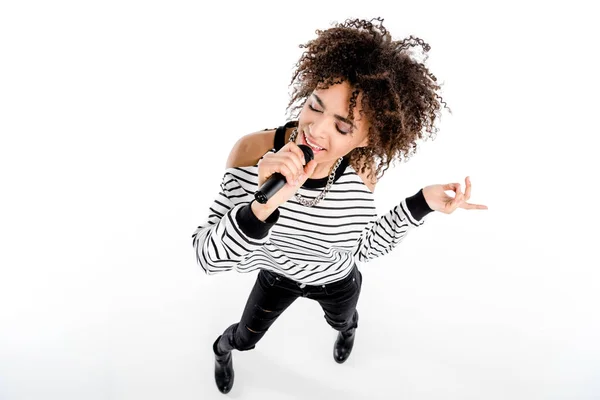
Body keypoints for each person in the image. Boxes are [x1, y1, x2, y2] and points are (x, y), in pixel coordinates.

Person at [191, 17, 488, 394]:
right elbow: (207, 258)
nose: (315, 130)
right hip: (276, 276)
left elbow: (362, 245)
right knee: (245, 339)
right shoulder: (252, 152)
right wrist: (261, 203)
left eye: (343, 127)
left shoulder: (361, 174)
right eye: (314, 107)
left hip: (336, 278)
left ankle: (347, 331)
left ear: (368, 138)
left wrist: (421, 204)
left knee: (343, 321)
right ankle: (222, 350)